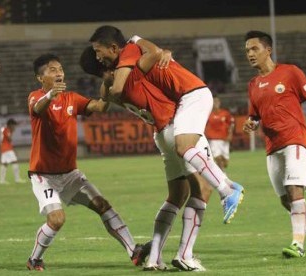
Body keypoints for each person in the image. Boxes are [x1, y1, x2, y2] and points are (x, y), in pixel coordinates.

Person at [89, 25, 244, 226]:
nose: (97, 55)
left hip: (189, 96)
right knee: (187, 186)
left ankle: (226, 190)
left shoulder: (129, 52)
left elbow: (150, 56)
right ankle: (229, 187)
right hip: (176, 109)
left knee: (185, 150)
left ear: (112, 48)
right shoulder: (126, 68)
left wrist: (137, 39)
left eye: (97, 51)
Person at [80, 45, 211, 271]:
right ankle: (185, 255)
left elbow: (106, 94)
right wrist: (164, 53)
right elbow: (152, 57)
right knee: (204, 189)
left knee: (177, 195)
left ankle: (154, 259)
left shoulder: (107, 89)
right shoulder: (128, 75)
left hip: (159, 133)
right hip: (177, 126)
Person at [25, 53, 150, 271]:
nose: (59, 73)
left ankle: (134, 251)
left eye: (60, 68)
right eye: (52, 70)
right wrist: (50, 96)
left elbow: (100, 107)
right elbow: (38, 109)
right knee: (56, 220)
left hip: (70, 174)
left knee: (103, 205)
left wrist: (108, 83)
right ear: (40, 78)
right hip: (44, 175)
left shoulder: (71, 98)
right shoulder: (36, 96)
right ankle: (34, 259)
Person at [242, 30, 306, 258]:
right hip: (272, 146)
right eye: (247, 51)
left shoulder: (290, 72)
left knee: (295, 190)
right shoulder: (253, 84)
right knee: (285, 199)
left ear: (268, 50)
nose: (250, 54)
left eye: (254, 49)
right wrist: (251, 123)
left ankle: (297, 244)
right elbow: (254, 116)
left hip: (296, 139)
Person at [204, 95, 235, 172]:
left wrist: (230, 134)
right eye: (214, 102)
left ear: (219, 103)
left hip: (224, 139)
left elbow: (231, 124)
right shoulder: (208, 114)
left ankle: (222, 170)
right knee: (217, 157)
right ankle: (222, 175)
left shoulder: (225, 113)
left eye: (217, 101)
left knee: (225, 162)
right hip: (213, 140)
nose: (215, 103)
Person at [0, 118, 25, 184]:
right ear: (10, 124)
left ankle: (2, 180)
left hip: (4, 148)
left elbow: (1, 139)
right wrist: (12, 131)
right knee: (14, 161)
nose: (14, 127)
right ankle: (17, 179)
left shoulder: (3, 129)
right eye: (13, 125)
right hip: (7, 148)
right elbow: (9, 139)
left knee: (4, 164)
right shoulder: (7, 130)